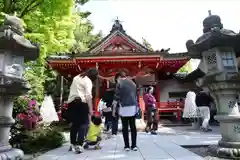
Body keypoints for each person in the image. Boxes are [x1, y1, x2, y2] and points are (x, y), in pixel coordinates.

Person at [67, 68, 98, 153]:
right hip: (82, 103)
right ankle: (79, 145)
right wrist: (91, 109)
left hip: (72, 103)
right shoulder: (88, 81)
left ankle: (72, 144)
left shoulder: (76, 77)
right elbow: (88, 96)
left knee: (75, 124)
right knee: (84, 124)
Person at [112, 71, 138, 151]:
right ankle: (134, 146)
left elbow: (116, 97)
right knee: (133, 127)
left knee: (125, 127)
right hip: (133, 107)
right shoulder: (133, 83)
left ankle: (126, 146)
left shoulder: (119, 83)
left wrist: (113, 110)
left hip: (124, 107)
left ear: (118, 77)